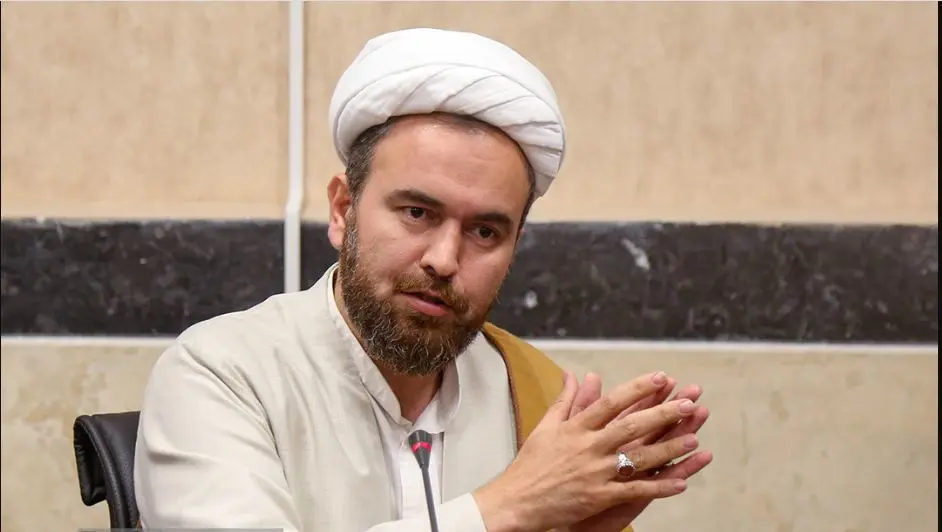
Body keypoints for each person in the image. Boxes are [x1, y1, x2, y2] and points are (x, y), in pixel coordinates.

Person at [133, 28, 713, 532]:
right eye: (417, 213)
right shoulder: (222, 374)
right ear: (343, 210)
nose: (444, 259)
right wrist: (509, 508)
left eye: (485, 231)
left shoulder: (532, 390)